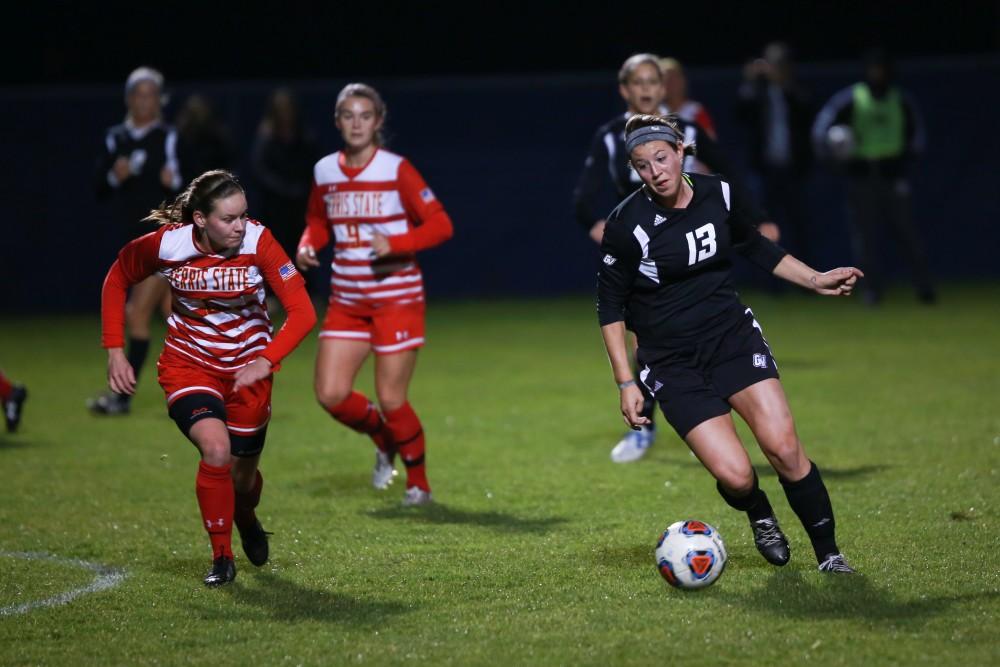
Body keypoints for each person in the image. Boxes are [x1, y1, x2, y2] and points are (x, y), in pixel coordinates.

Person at [597, 113, 862, 573]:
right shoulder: (628, 225)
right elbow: (610, 308)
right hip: (671, 361)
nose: (655, 171)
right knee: (737, 476)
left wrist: (815, 279)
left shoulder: (717, 192)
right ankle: (759, 511)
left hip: (731, 338)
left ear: (681, 151)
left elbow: (754, 246)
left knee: (784, 448)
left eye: (661, 158)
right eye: (643, 165)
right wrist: (626, 382)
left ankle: (829, 555)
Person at [100, 170, 317, 586]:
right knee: (216, 450)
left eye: (243, 215)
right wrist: (114, 350)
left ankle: (247, 519)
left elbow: (303, 313)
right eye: (228, 219)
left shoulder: (259, 241)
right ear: (199, 219)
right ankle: (222, 557)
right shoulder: (169, 245)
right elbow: (117, 277)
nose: (240, 226)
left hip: (248, 373)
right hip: (189, 364)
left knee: (243, 480)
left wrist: (266, 359)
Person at [573, 53, 776, 464]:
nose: (647, 88)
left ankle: (711, 411)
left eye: (654, 80)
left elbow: (726, 170)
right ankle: (646, 425)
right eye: (638, 82)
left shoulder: (682, 130)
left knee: (701, 328)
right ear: (625, 90)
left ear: (663, 88)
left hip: (690, 248)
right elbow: (583, 200)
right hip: (642, 258)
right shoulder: (612, 136)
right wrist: (606, 235)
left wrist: (759, 219)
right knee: (643, 339)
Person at [296, 83, 453, 507]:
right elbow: (318, 219)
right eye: (348, 115)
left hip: (396, 297)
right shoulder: (325, 170)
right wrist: (309, 243)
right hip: (347, 301)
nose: (357, 123)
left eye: (365, 116)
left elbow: (441, 225)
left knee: (390, 398)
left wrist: (398, 241)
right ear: (337, 121)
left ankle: (418, 483)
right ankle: (384, 439)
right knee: (330, 394)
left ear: (378, 121)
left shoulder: (395, 169)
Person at [89, 66, 183, 416]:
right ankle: (221, 375)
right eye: (139, 94)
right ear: (129, 99)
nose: (145, 101)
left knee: (136, 313)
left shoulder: (170, 138)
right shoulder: (116, 138)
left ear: (160, 101)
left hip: (165, 239)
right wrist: (115, 176)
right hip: (133, 239)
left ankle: (122, 398)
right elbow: (98, 187)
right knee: (176, 314)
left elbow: (192, 187)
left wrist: (174, 182)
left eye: (151, 95)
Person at [811, 48, 935, 305]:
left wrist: (904, 164)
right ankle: (871, 291)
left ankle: (925, 289)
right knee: (865, 238)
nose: (877, 73)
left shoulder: (900, 99)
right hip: (863, 176)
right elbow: (822, 131)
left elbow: (917, 137)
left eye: (882, 68)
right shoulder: (852, 98)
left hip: (892, 176)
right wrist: (838, 162)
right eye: (873, 68)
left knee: (908, 235)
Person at [736, 42, 817, 263]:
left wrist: (786, 86)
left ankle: (807, 280)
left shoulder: (796, 91)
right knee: (765, 228)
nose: (777, 69)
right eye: (773, 64)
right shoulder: (757, 92)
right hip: (764, 170)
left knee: (799, 227)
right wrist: (751, 80)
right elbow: (741, 111)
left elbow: (808, 110)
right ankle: (770, 283)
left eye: (781, 64)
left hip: (793, 170)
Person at [251, 88, 321, 262]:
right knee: (277, 255)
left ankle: (304, 287)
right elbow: (260, 170)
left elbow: (313, 166)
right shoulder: (266, 137)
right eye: (281, 108)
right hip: (274, 207)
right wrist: (283, 189)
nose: (285, 113)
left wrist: (301, 189)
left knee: (301, 250)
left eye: (288, 108)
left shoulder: (304, 136)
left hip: (300, 206)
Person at [659, 57, 716, 174]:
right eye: (667, 79)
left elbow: (711, 145)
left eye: (675, 78)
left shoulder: (695, 110)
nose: (671, 83)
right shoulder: (656, 113)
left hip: (693, 174)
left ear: (682, 80)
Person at [176, 94, 236, 182]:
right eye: (193, 110)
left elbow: (228, 158)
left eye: (200, 109)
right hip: (189, 183)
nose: (198, 113)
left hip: (213, 183)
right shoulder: (182, 135)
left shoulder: (217, 134)